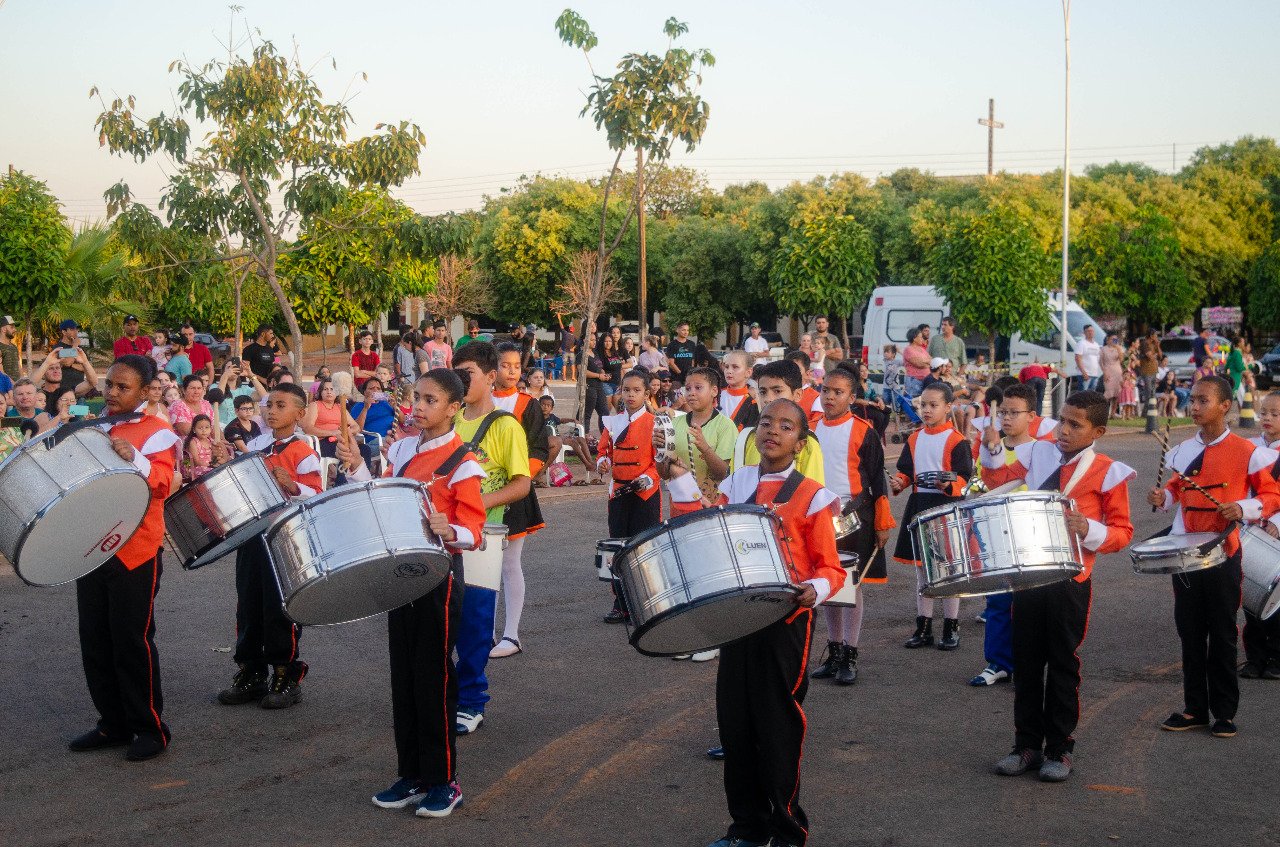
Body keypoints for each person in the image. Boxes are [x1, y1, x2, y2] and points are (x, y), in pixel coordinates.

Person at [666, 398, 843, 847]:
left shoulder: (813, 495)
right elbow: (710, 531)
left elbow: (831, 567)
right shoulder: (738, 481)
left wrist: (816, 588)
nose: (773, 431)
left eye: (786, 426)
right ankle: (747, 828)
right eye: (766, 422)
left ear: (799, 443)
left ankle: (787, 832)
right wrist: (679, 480)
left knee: (777, 725)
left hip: (786, 621)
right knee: (736, 724)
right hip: (738, 617)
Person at [337, 368, 486, 819]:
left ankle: (444, 781)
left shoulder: (464, 462)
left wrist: (450, 528)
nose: (418, 406)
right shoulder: (401, 448)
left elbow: (475, 532)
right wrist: (354, 465)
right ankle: (412, 774)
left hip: (439, 577)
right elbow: (378, 495)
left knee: (432, 678)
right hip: (400, 575)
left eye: (430, 400)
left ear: (454, 408)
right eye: (416, 397)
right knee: (403, 677)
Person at [979, 390, 1135, 781]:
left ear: (1097, 431)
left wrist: (1088, 528)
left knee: (1063, 663)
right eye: (1062, 420)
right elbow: (998, 481)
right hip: (1030, 573)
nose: (1063, 430)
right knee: (1026, 661)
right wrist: (993, 450)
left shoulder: (1108, 471)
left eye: (1075, 425)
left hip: (1071, 579)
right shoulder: (1039, 452)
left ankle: (1060, 749)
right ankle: (1026, 745)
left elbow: (1122, 532)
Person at [1146, 376, 1280, 738]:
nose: (1194, 406)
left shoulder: (1248, 452)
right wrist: (1163, 498)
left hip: (1224, 551)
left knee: (1222, 633)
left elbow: (1272, 496)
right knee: (1190, 632)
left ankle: (1224, 712)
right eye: (1192, 400)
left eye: (1203, 400)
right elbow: (1176, 489)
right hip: (1186, 552)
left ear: (1225, 406)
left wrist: (1243, 507)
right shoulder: (1183, 451)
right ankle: (1194, 709)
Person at [68, 354, 180, 762]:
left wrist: (134, 457)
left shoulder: (158, 432)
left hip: (135, 549)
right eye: (109, 385)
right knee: (95, 640)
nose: (112, 393)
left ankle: (150, 728)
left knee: (131, 641)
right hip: (91, 547)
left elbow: (163, 483)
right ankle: (112, 724)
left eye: (123, 387)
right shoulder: (94, 425)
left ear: (146, 391)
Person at [218, 383, 321, 710]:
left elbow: (317, 496)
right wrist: (225, 463)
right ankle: (251, 670)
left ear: (299, 414)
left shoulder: (305, 453)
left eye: (280, 405)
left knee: (280, 607)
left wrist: (294, 486)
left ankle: (285, 674)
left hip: (284, 539)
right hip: (252, 536)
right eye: (269, 405)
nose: (271, 411)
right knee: (248, 602)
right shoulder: (256, 445)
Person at [451, 341, 533, 736]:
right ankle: (445, 694)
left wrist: (475, 503)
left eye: (467, 374)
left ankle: (470, 702)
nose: (460, 381)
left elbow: (521, 484)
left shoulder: (505, 425)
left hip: (483, 538)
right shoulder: (448, 420)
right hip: (445, 536)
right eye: (456, 374)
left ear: (489, 376)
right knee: (442, 621)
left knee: (475, 624)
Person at [810, 362, 895, 687]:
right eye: (825, 390)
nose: (830, 397)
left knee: (850, 585)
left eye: (838, 392)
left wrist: (883, 522)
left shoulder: (863, 430)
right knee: (827, 584)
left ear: (851, 397)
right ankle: (833, 650)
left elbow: (876, 479)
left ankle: (850, 652)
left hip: (853, 516)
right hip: (818, 518)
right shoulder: (810, 428)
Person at [891, 381, 973, 651]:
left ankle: (951, 626)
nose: (926, 410)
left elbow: (964, 477)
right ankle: (923, 627)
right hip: (920, 505)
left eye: (933, 405)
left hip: (946, 507)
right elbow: (906, 471)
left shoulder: (957, 441)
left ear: (948, 407)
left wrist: (949, 485)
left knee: (949, 569)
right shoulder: (915, 438)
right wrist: (900, 482)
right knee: (923, 571)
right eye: (923, 405)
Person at [968, 383, 1038, 688]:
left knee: (1030, 602)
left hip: (1030, 530)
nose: (1006, 418)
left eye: (1014, 413)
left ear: (1031, 415)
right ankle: (998, 662)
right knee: (997, 599)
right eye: (1002, 413)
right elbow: (981, 482)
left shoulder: (1041, 450)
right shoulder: (989, 447)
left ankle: (1030, 661)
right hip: (995, 529)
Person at [488, 342, 549, 659]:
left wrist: (521, 478)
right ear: (492, 368)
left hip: (515, 493)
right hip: (481, 494)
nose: (512, 371)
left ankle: (511, 634)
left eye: (516, 366)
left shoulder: (528, 404)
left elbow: (539, 448)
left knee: (510, 564)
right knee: (484, 567)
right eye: (505, 365)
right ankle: (485, 632)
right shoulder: (479, 401)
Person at [596, 368, 661, 624]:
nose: (630, 395)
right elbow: (604, 451)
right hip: (619, 493)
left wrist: (648, 478)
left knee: (643, 547)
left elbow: (661, 461)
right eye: (626, 390)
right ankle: (621, 604)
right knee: (618, 547)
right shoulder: (612, 422)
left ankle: (648, 604)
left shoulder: (656, 423)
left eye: (636, 390)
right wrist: (602, 462)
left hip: (646, 493)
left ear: (647, 393)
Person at [658, 366, 736, 520]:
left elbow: (723, 473)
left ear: (714, 391)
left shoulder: (725, 426)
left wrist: (705, 448)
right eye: (688, 388)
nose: (691, 393)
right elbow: (664, 473)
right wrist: (661, 450)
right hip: (680, 504)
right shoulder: (674, 423)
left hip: (711, 507)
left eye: (698, 388)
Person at [1241, 391, 1280, 679]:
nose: (1267, 418)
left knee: (1276, 598)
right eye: (1263, 412)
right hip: (1251, 529)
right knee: (1250, 594)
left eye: (1275, 414)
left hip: (1276, 532)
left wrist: (1277, 521)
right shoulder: (1249, 447)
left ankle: (1277, 657)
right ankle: (1255, 657)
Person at [302, 377, 361, 458]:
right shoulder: (315, 405)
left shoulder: (340, 407)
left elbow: (356, 426)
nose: (329, 392)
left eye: (332, 389)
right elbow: (308, 428)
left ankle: (357, 467)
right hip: (323, 441)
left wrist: (347, 432)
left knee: (365, 449)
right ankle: (342, 466)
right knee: (345, 452)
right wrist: (332, 433)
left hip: (341, 440)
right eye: (325, 389)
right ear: (320, 392)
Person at [216, 359, 266, 427]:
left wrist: (251, 375)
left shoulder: (245, 389)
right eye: (229, 367)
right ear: (223, 371)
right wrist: (225, 376)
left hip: (241, 429)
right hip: (221, 428)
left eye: (235, 367)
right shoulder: (215, 387)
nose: (232, 370)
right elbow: (218, 398)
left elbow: (264, 397)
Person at [181, 414, 229, 482]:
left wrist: (219, 462)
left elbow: (221, 457)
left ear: (210, 429)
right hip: (197, 468)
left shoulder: (211, 441)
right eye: (200, 428)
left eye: (207, 427)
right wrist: (212, 465)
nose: (204, 430)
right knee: (214, 473)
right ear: (194, 429)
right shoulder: (193, 442)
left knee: (226, 470)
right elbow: (196, 461)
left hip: (211, 466)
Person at [718, 351, 759, 430]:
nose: (729, 371)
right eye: (726, 367)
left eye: (735, 367)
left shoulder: (751, 403)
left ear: (748, 372)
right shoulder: (716, 395)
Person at [350, 376, 398, 441]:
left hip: (395, 435)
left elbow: (402, 420)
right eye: (371, 388)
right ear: (364, 392)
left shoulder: (386, 403)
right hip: (376, 440)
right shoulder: (359, 406)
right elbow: (355, 429)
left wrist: (395, 406)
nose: (375, 390)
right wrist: (365, 408)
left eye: (378, 388)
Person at [580, 336, 610, 435]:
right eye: (591, 339)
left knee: (604, 412)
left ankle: (605, 436)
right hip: (589, 386)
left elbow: (599, 367)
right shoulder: (582, 354)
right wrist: (598, 375)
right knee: (587, 413)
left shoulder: (595, 353)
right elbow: (582, 371)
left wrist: (603, 373)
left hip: (599, 386)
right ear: (585, 340)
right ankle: (584, 435)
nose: (594, 342)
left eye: (595, 340)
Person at [902, 328, 931, 398]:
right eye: (921, 337)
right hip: (914, 381)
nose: (922, 339)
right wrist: (927, 362)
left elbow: (931, 360)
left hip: (925, 380)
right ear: (914, 338)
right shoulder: (908, 349)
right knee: (913, 401)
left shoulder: (922, 349)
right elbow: (919, 364)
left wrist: (924, 361)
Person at [1100, 335, 1124, 416]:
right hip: (1108, 371)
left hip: (1117, 372)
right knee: (1108, 393)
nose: (1114, 340)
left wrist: (1118, 349)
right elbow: (1101, 362)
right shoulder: (1103, 349)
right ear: (1108, 340)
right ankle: (1104, 412)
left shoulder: (1118, 348)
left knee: (1116, 394)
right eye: (1113, 339)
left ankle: (1113, 413)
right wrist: (1104, 372)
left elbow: (1121, 360)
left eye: (1116, 339)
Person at [1074, 325, 1102, 393]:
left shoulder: (1096, 345)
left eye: (1092, 331)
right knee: (1083, 394)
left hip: (1094, 374)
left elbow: (1098, 359)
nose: (1090, 332)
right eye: (1088, 331)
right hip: (1084, 374)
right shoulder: (1081, 343)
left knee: (1092, 395)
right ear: (1084, 332)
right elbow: (1078, 358)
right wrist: (1084, 373)